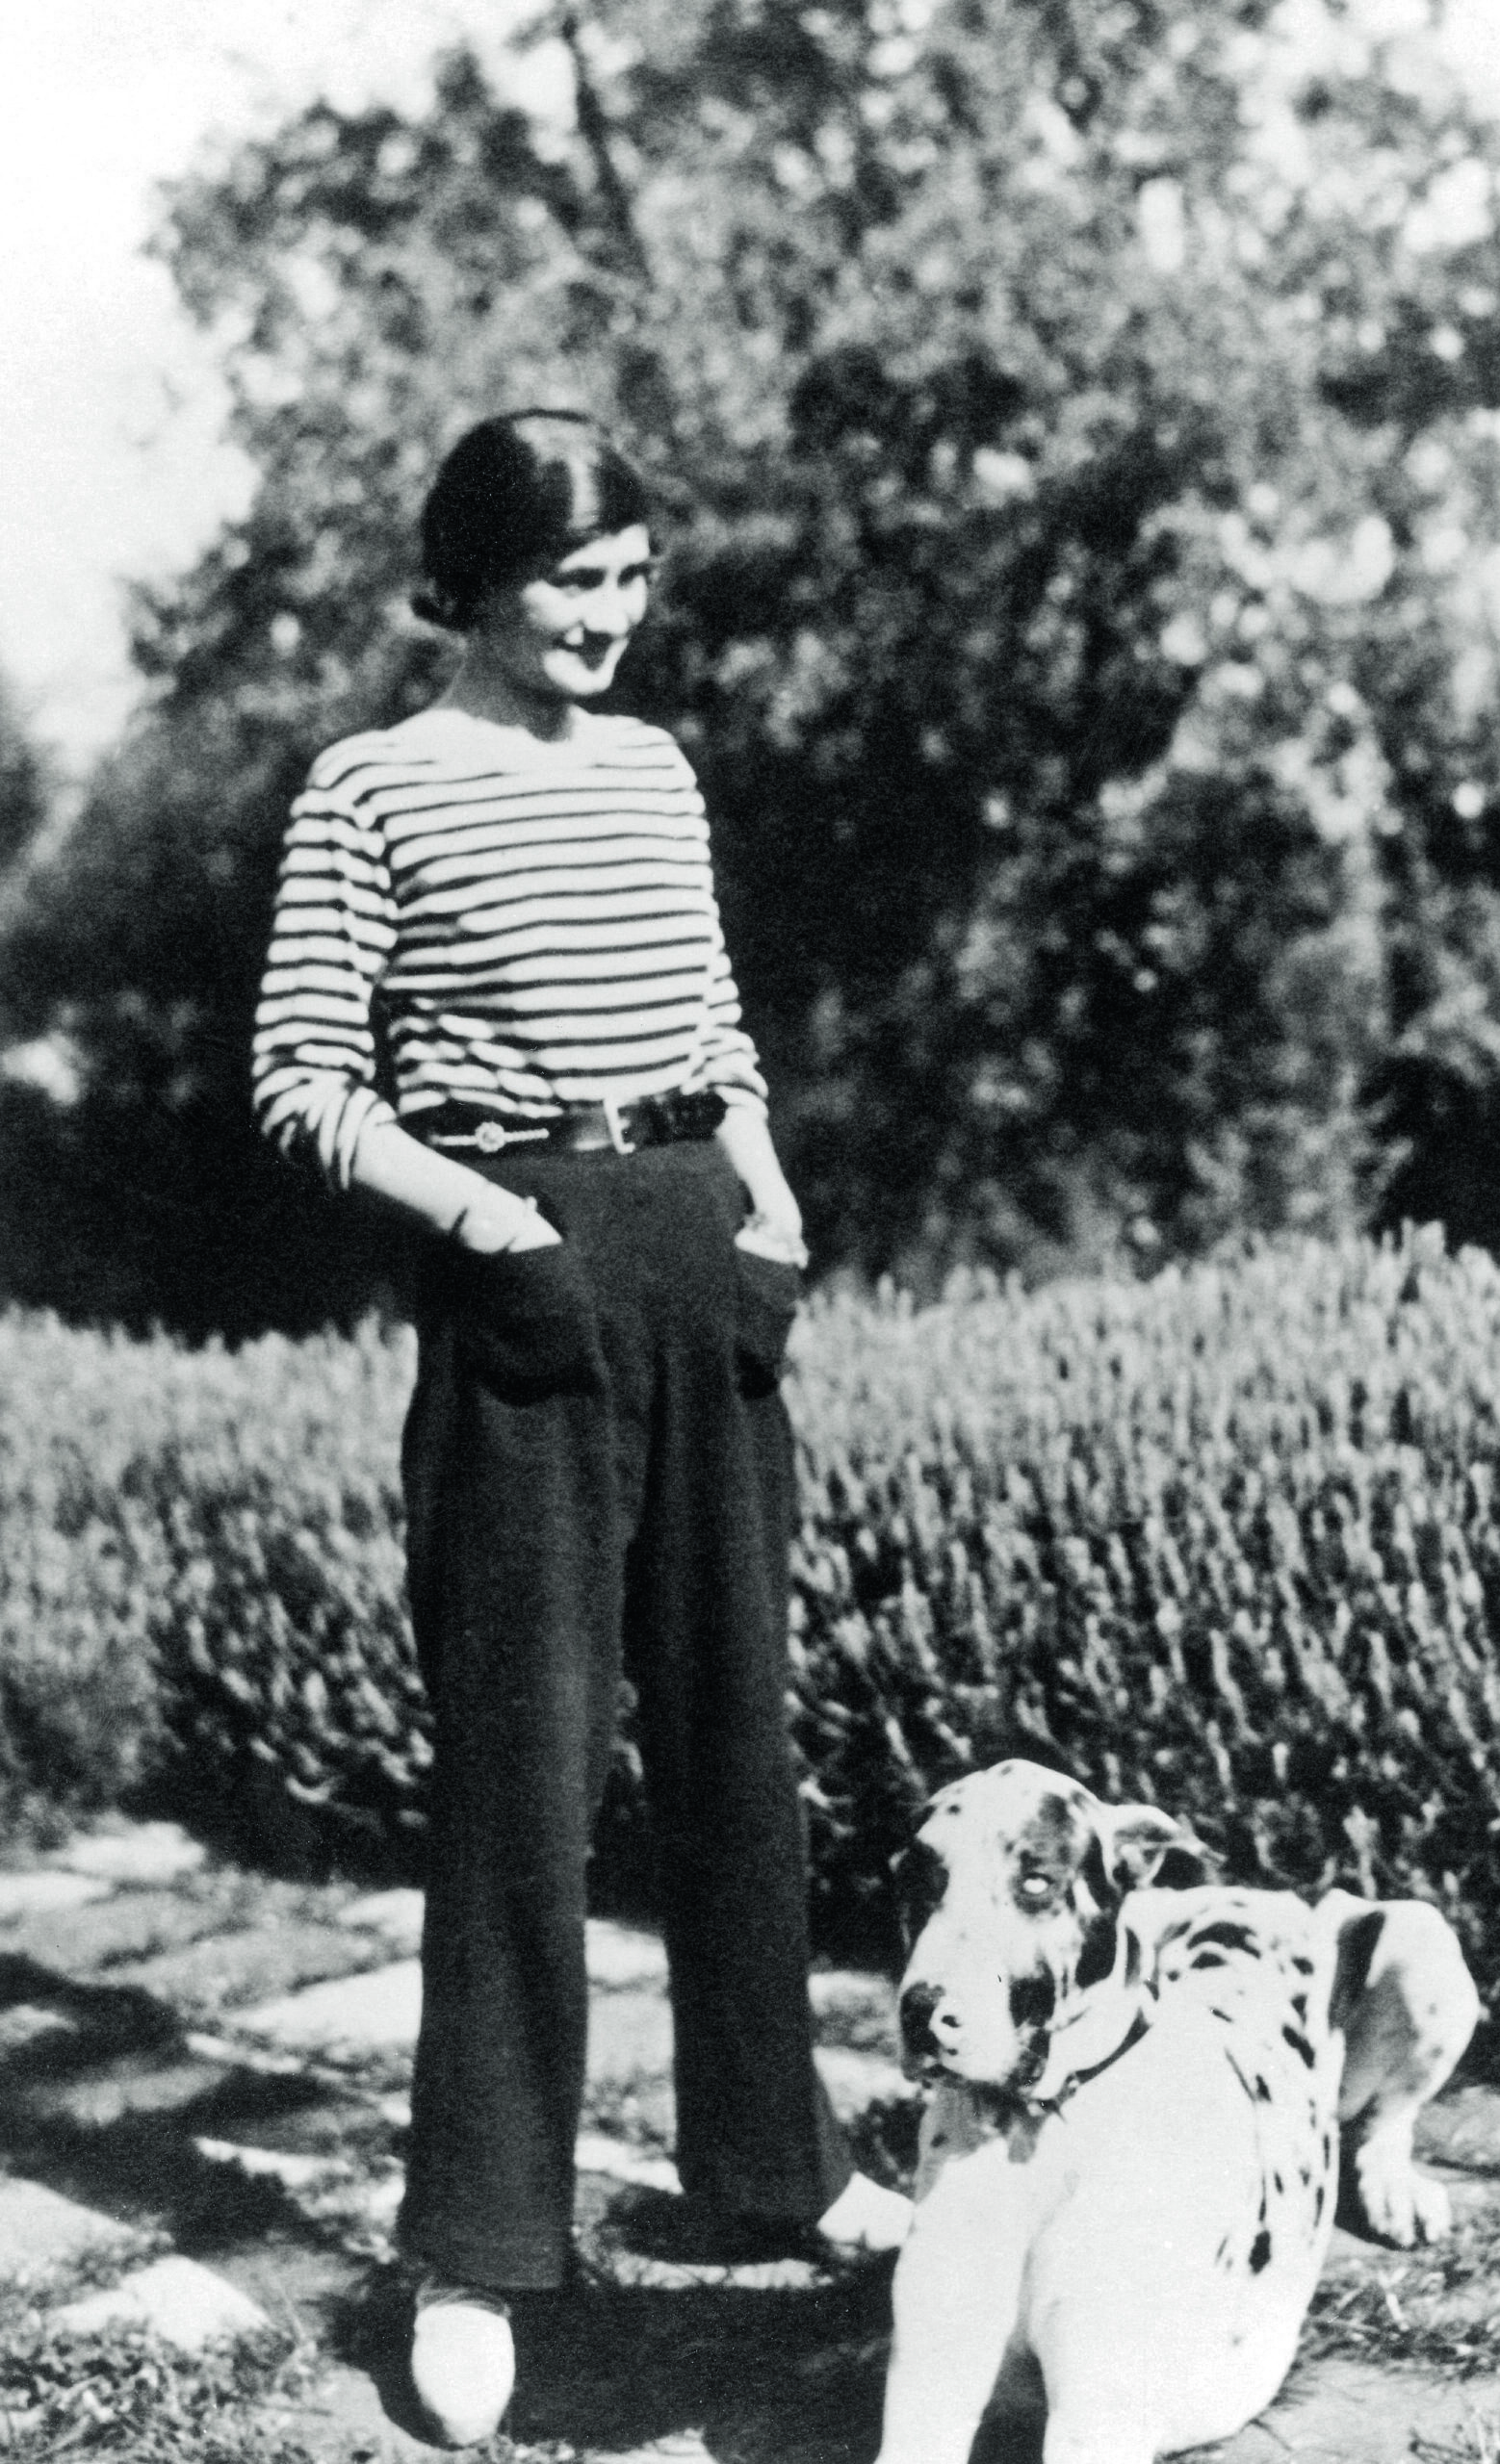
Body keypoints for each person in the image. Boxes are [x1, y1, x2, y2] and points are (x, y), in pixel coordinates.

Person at [251, 408, 909, 2448]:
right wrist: (487, 1218)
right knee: (521, 1784)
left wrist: (772, 1192)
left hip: (697, 1257)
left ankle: (768, 2173)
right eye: (571, 582)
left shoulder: (655, 769)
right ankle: (475, 2245)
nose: (612, 619)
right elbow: (301, 1079)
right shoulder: (370, 787)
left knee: (738, 1737)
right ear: (472, 576)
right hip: (516, 1270)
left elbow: (713, 1035)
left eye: (633, 579)